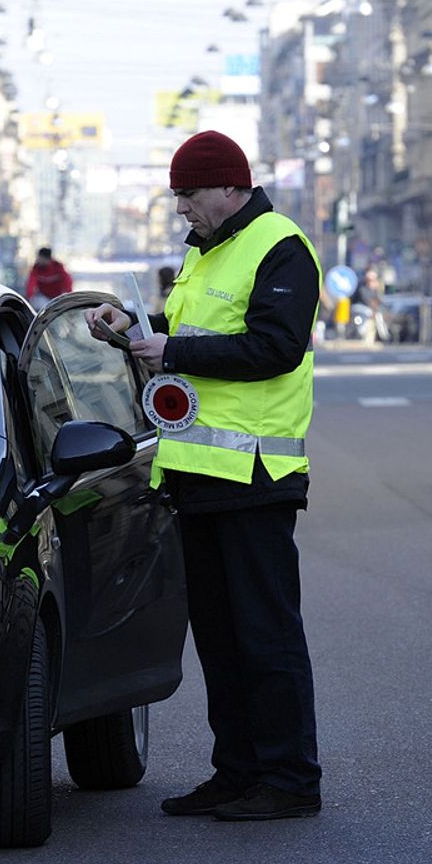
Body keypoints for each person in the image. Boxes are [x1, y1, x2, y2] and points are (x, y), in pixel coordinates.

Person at [84, 129, 323, 821]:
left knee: (266, 634)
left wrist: (174, 351)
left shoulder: (279, 244)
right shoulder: (206, 250)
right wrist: (133, 326)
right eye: (177, 195)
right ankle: (237, 771)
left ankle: (289, 779)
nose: (181, 206)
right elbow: (191, 331)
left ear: (229, 186)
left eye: (188, 193)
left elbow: (275, 348)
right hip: (197, 476)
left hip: (254, 476)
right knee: (220, 638)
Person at [25, 246, 73, 310]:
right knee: (40, 306)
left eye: (39, 258)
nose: (38, 260)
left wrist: (68, 296)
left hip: (58, 297)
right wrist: (29, 297)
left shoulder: (58, 267)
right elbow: (31, 284)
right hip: (44, 297)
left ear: (46, 258)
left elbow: (67, 281)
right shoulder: (36, 268)